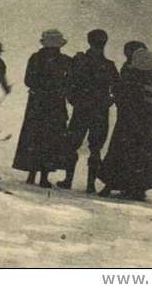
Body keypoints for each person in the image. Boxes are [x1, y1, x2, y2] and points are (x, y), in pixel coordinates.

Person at [98, 43, 152, 201]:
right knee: (143, 155)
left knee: (122, 152)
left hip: (129, 120)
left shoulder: (130, 71)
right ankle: (138, 188)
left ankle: (114, 184)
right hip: (149, 121)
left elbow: (122, 94)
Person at [59, 29, 120, 192]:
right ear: (105, 43)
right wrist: (108, 101)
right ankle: (90, 185)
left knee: (72, 143)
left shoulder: (80, 60)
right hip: (100, 110)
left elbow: (69, 81)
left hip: (82, 107)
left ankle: (68, 180)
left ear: (89, 41)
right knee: (95, 148)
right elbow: (118, 88)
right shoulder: (109, 65)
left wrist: (72, 99)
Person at [13, 29, 72, 188]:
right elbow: (70, 82)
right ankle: (43, 176)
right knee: (50, 138)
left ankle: (32, 173)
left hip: (37, 103)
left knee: (34, 136)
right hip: (54, 104)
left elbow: (28, 80)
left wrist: (42, 87)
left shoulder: (36, 58)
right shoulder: (64, 61)